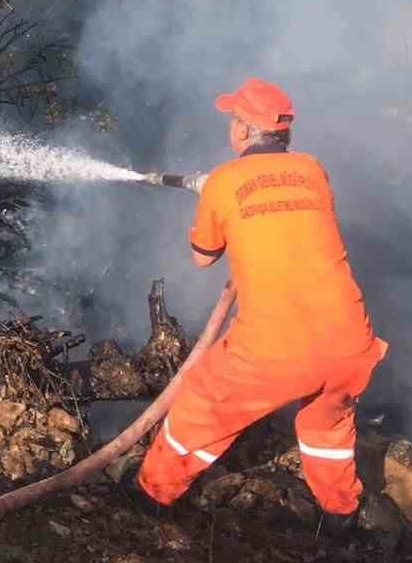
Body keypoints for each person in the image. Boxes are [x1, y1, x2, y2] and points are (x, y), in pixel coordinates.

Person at [136, 78, 387, 532]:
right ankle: (340, 517)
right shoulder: (312, 169)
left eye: (232, 120)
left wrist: (213, 192)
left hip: (275, 347)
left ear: (242, 129)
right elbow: (288, 216)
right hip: (350, 341)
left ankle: (151, 497)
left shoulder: (224, 181)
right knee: (326, 426)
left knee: (203, 402)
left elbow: (202, 258)